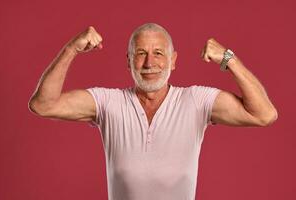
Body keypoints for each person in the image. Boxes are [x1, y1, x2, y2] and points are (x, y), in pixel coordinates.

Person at [28, 23, 278, 200]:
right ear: (128, 61)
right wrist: (72, 48)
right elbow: (43, 105)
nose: (149, 63)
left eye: (158, 53)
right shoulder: (108, 102)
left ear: (173, 61)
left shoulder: (196, 100)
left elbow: (264, 114)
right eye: (140, 54)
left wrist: (227, 58)